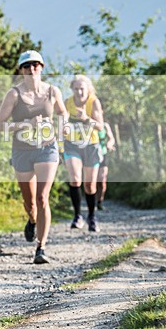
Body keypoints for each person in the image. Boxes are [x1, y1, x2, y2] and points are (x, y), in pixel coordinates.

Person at [0, 50, 68, 264]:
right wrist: (26, 124)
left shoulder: (53, 91)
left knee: (42, 197)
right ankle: (31, 219)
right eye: (27, 66)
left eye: (36, 65)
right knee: (30, 202)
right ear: (21, 70)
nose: (31, 69)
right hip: (22, 150)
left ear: (42, 67)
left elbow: (63, 113)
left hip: (47, 148)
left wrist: (62, 128)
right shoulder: (14, 94)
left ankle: (41, 247)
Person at [63, 75, 104, 232]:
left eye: (82, 89)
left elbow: (100, 126)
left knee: (90, 185)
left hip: (91, 145)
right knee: (75, 180)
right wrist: (65, 126)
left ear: (88, 89)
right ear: (72, 89)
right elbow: (63, 120)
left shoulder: (94, 102)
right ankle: (77, 215)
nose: (79, 92)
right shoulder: (68, 103)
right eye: (76, 89)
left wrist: (86, 119)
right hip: (72, 144)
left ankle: (92, 217)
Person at [96, 121, 116, 210]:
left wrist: (109, 144)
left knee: (102, 179)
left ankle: (100, 201)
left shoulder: (105, 125)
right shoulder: (87, 122)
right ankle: (91, 200)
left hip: (103, 154)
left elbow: (111, 138)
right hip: (90, 155)